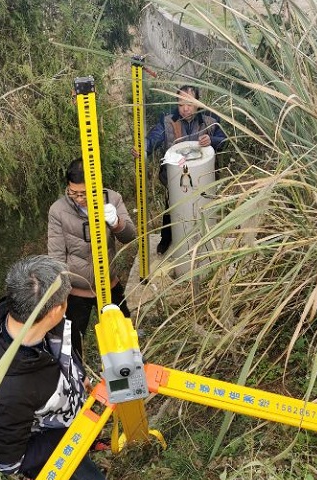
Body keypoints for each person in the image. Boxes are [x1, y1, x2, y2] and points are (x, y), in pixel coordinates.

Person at [0, 255, 114, 480]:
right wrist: (71, 435)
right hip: (49, 437)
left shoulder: (30, 315)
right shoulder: (6, 392)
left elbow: (61, 358)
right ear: (56, 310)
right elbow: (8, 462)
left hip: (66, 416)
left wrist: (78, 379)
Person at [47, 158, 136, 356]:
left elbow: (130, 236)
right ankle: (78, 372)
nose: (79, 199)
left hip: (109, 282)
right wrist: (60, 291)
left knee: (124, 334)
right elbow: (56, 255)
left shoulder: (112, 199)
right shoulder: (58, 211)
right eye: (74, 193)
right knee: (72, 342)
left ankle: (130, 366)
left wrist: (116, 222)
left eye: (85, 193)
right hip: (77, 288)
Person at [137, 85, 227, 254]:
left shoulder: (210, 119)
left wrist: (212, 140)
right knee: (172, 206)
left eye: (190, 104)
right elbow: (154, 137)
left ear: (197, 103)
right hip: (175, 176)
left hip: (203, 178)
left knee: (203, 207)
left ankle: (204, 240)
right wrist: (144, 148)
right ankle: (166, 238)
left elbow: (223, 140)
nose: (185, 108)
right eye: (181, 104)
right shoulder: (168, 120)